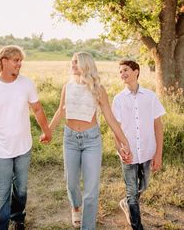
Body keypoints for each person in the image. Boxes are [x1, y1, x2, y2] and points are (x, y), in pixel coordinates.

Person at [0, 45, 52, 230]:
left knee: (21, 190)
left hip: (23, 148)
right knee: (1, 196)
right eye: (16, 60)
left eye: (21, 60)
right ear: (4, 61)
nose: (19, 64)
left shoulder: (26, 83)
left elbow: (37, 108)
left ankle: (18, 218)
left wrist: (46, 130)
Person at [46, 52, 132, 230]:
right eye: (72, 61)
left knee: (91, 191)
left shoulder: (98, 89)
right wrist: (48, 132)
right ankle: (76, 206)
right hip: (70, 139)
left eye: (76, 62)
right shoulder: (67, 87)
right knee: (71, 182)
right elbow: (60, 112)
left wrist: (125, 142)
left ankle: (88, 227)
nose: (73, 64)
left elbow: (109, 117)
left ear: (86, 65)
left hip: (91, 141)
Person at [112, 60, 165, 230]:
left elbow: (158, 126)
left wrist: (158, 153)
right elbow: (116, 129)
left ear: (136, 71)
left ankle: (127, 203)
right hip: (129, 153)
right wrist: (121, 150)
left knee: (144, 186)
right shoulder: (118, 99)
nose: (122, 74)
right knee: (132, 192)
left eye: (125, 70)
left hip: (148, 151)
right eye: (120, 72)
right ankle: (137, 225)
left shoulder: (150, 97)